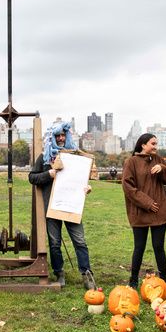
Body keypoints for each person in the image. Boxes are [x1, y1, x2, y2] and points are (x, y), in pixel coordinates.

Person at [28, 122, 95, 289]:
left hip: (72, 205)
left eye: (63, 135)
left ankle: (86, 273)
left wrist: (87, 187)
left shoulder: (76, 157)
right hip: (53, 206)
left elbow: (82, 179)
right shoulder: (44, 158)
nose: (61, 138)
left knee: (79, 241)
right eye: (58, 135)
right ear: (53, 137)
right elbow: (32, 177)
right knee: (55, 243)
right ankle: (59, 272)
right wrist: (48, 174)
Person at [121, 134, 166, 288]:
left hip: (159, 211)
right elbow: (128, 187)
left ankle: (163, 280)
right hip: (140, 211)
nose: (155, 146)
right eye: (153, 143)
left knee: (159, 247)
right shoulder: (131, 162)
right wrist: (147, 203)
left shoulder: (157, 159)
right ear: (143, 145)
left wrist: (163, 168)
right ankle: (133, 280)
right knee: (139, 247)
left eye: (156, 143)